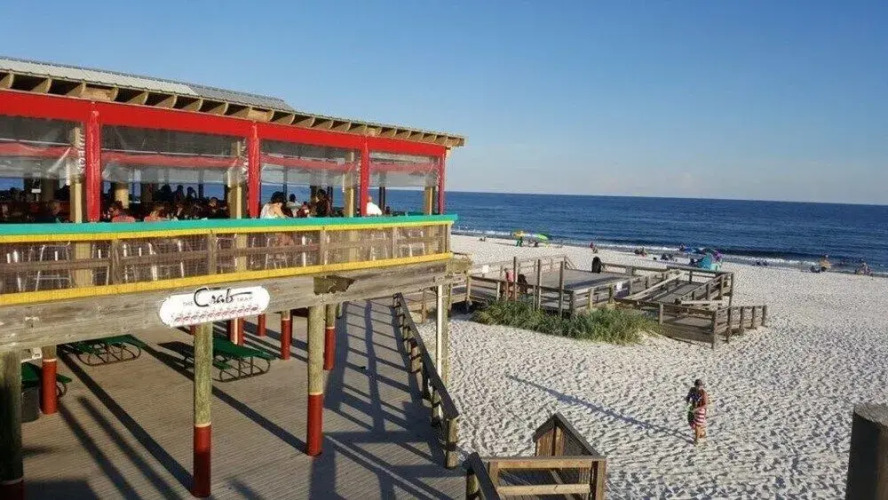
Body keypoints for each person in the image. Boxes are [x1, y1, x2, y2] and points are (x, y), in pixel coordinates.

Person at [685, 379, 709, 445]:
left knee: (697, 426)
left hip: (700, 410)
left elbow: (705, 405)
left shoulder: (703, 393)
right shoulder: (692, 390)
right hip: (692, 408)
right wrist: (687, 400)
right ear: (695, 385)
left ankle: (696, 440)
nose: (699, 387)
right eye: (698, 386)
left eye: (700, 386)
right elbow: (688, 396)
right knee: (692, 423)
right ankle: (702, 433)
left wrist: (697, 409)